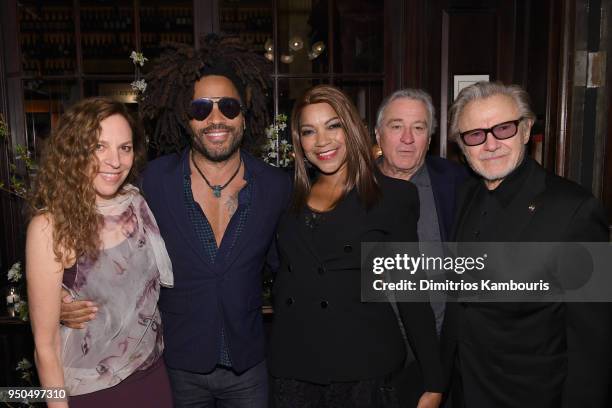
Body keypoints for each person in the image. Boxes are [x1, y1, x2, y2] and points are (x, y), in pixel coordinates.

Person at [60, 36, 290, 407]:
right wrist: (57, 292)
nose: (215, 119)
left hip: (249, 367)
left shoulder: (277, 186)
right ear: (186, 120)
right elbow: (88, 227)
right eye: (201, 109)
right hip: (176, 367)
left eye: (228, 107)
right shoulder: (152, 181)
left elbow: (296, 266)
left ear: (244, 114)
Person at [268, 84, 444, 408]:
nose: (322, 141)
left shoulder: (391, 197)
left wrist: (434, 382)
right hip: (293, 368)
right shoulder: (285, 196)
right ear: (298, 142)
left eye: (333, 126)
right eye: (309, 131)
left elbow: (411, 293)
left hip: (364, 369)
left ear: (352, 128)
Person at [443, 81, 611, 407]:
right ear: (462, 146)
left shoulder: (575, 210)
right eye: (475, 134)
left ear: (526, 129)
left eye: (503, 128)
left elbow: (593, 347)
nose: (490, 144)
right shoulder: (465, 195)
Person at [26, 97, 174, 407]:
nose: (115, 161)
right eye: (99, 147)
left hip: (152, 377)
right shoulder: (49, 227)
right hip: (90, 390)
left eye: (125, 147)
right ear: (74, 151)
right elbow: (46, 345)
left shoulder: (136, 205)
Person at [375, 88, 469, 406]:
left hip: (438, 355)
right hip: (367, 356)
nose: (407, 138)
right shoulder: (351, 185)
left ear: (429, 138)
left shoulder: (458, 184)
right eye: (396, 125)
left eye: (418, 128)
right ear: (377, 133)